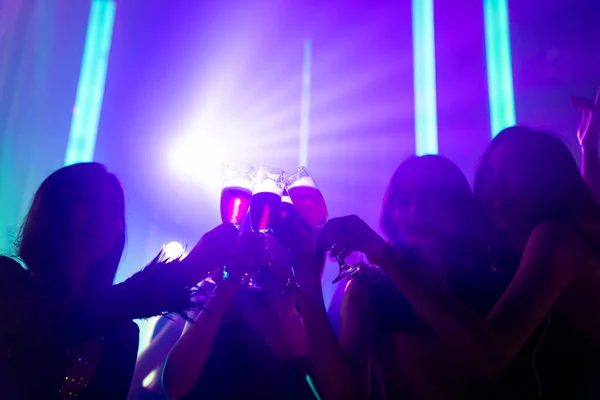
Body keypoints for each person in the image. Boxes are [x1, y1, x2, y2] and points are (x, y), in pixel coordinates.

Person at [321, 127, 600, 398]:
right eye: (489, 173)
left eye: (512, 170)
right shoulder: (509, 265)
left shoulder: (552, 241)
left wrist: (381, 253)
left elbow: (490, 353)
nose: (494, 185)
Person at [0, 162, 239, 400]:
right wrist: (187, 271)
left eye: (113, 209)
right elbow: (61, 322)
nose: (102, 217)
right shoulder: (8, 283)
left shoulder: (121, 335)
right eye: (89, 202)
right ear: (53, 210)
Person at [290, 156, 495, 399]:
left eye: (431, 196)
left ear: (461, 208)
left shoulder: (494, 282)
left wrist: (382, 254)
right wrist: (305, 275)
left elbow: (488, 355)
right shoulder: (369, 288)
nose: (415, 209)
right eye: (404, 198)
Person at [163, 232, 316, 400]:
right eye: (279, 228)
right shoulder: (222, 297)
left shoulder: (310, 320)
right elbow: (175, 385)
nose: (291, 239)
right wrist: (226, 287)